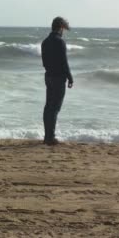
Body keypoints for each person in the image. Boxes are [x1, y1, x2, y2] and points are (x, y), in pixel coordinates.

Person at [41, 17, 73, 145]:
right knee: (55, 108)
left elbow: (44, 62)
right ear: (60, 28)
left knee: (48, 106)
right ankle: (50, 137)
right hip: (58, 78)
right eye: (63, 29)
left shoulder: (45, 42)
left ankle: (47, 136)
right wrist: (70, 77)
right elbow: (64, 62)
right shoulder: (60, 42)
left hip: (48, 76)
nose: (63, 32)